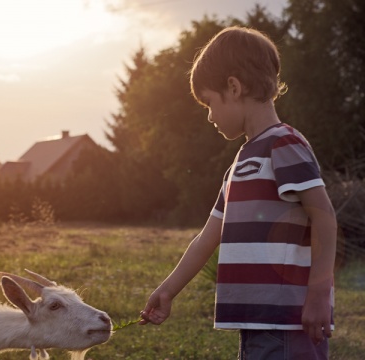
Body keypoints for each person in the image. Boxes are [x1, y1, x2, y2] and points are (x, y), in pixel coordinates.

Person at [140, 26, 337, 360]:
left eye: (209, 103)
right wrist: (168, 290)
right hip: (255, 325)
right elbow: (206, 239)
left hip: (288, 325)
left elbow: (324, 217)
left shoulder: (284, 143)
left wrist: (320, 291)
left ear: (233, 87)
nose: (209, 116)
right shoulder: (240, 164)